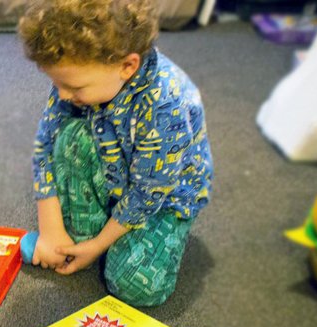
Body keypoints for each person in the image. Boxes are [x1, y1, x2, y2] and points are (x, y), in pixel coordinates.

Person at [18, 0, 213, 306]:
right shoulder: (79, 77)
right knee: (69, 139)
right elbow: (46, 142)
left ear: (127, 66)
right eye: (57, 83)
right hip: (114, 166)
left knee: (136, 287)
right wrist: (51, 230)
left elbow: (148, 194)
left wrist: (98, 246)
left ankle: (98, 240)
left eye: (73, 86)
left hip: (160, 199)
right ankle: (78, 239)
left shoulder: (167, 103)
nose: (63, 94)